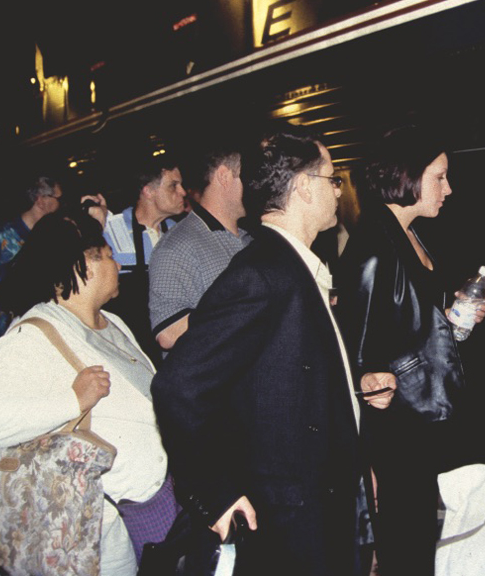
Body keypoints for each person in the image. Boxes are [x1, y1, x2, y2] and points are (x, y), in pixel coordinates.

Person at [152, 131, 393, 576]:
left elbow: (278, 371)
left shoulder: (293, 265)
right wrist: (215, 491)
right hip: (292, 513)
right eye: (332, 179)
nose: (339, 190)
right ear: (303, 186)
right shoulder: (262, 274)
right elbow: (178, 385)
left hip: (324, 493)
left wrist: (353, 390)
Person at [0, 211, 169, 576]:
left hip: (156, 499)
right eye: (111, 255)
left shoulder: (111, 320)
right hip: (105, 528)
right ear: (87, 263)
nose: (117, 265)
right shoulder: (36, 333)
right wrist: (71, 401)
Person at [335, 129, 485, 576]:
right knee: (406, 546)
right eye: (439, 177)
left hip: (419, 419)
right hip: (397, 427)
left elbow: (401, 319)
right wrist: (371, 459)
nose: (449, 188)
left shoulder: (406, 234)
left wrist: (449, 314)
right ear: (407, 177)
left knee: (420, 538)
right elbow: (359, 351)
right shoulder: (375, 245)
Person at [148, 146, 250, 353]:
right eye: (246, 177)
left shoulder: (251, 238)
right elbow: (167, 333)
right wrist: (245, 306)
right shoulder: (178, 245)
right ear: (224, 176)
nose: (256, 185)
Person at [84, 157, 185, 362]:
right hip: (127, 350)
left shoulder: (181, 232)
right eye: (174, 186)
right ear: (149, 191)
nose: (183, 192)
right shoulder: (110, 229)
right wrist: (93, 224)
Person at [0, 174, 62, 379]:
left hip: (44, 339)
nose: (60, 205)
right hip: (4, 344)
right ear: (41, 200)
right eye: (58, 199)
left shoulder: (52, 239)